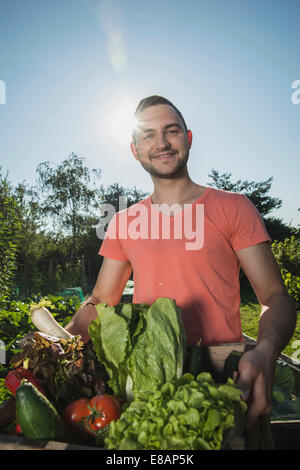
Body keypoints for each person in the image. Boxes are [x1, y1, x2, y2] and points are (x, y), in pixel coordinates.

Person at [65, 95, 297, 429]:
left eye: (171, 131)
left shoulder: (234, 208)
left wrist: (265, 351)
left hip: (227, 381)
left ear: (188, 139)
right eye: (147, 135)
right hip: (149, 385)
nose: (161, 143)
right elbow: (101, 300)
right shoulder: (123, 222)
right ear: (135, 150)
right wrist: (63, 339)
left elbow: (275, 297)